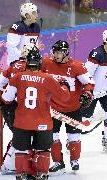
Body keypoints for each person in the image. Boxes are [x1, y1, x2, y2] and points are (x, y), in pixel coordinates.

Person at [1, 47, 71, 180]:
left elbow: (6, 99)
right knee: (43, 150)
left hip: (22, 122)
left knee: (21, 150)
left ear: (27, 62)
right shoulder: (48, 78)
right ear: (39, 62)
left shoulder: (17, 77)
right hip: (43, 122)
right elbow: (64, 97)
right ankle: (43, 174)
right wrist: (64, 84)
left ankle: (20, 175)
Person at [41, 40, 95, 175]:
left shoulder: (77, 66)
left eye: (58, 52)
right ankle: (58, 162)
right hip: (53, 109)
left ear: (66, 52)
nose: (55, 54)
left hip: (73, 109)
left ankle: (74, 160)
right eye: (54, 51)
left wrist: (87, 93)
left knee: (74, 137)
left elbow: (89, 83)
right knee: (52, 137)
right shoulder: (46, 63)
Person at [0, 44, 35, 176]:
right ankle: (8, 164)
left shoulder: (13, 65)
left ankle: (11, 163)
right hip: (19, 109)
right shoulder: (32, 68)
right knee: (22, 136)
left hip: (8, 105)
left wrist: (8, 93)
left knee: (20, 136)